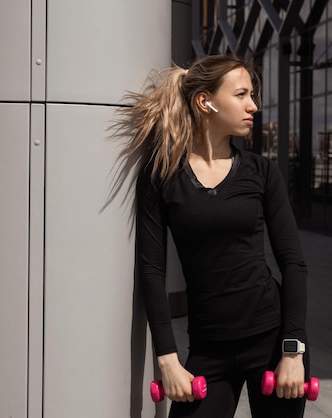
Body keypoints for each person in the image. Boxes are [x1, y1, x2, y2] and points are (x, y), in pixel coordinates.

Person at [114, 54, 309, 418]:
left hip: (271, 342)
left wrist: (292, 351)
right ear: (205, 101)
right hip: (209, 348)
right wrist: (168, 361)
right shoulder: (160, 175)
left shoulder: (261, 172)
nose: (254, 105)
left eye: (253, 95)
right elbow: (151, 272)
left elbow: (293, 263)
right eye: (241, 94)